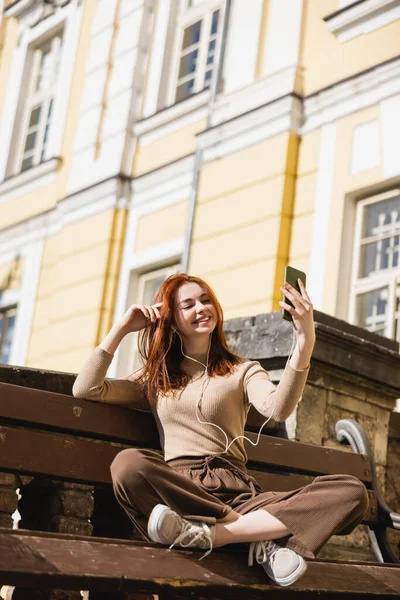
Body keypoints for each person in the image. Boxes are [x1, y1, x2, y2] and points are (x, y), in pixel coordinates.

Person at [73, 273, 368, 588]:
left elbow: (278, 408)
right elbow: (86, 389)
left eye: (205, 300)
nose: (201, 308)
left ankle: (213, 535)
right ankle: (258, 539)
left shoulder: (242, 370)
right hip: (181, 492)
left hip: (237, 494)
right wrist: (121, 329)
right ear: (171, 320)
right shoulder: (156, 377)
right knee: (127, 464)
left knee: (352, 492)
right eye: (188, 305)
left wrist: (304, 341)